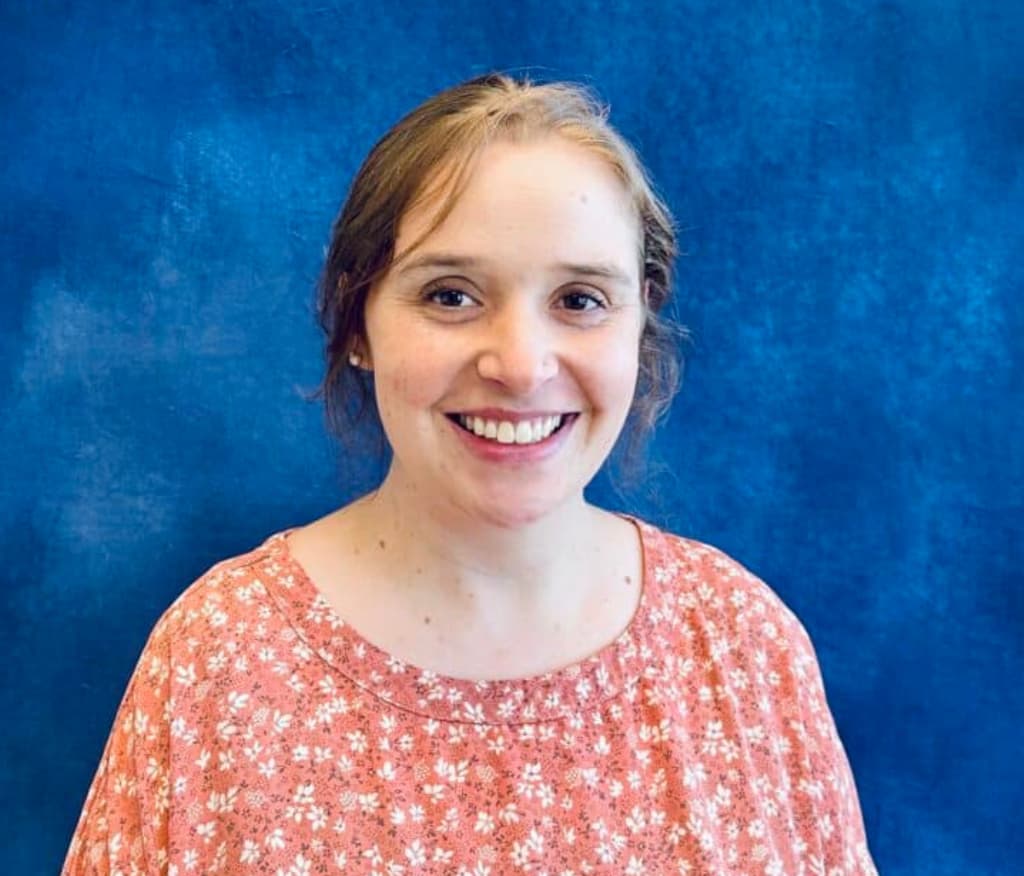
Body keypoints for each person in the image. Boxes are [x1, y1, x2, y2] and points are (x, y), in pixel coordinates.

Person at [63, 73, 877, 875]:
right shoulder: (217, 659)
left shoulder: (743, 648)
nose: (520, 366)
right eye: (451, 295)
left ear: (639, 328)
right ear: (359, 326)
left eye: (581, 300)